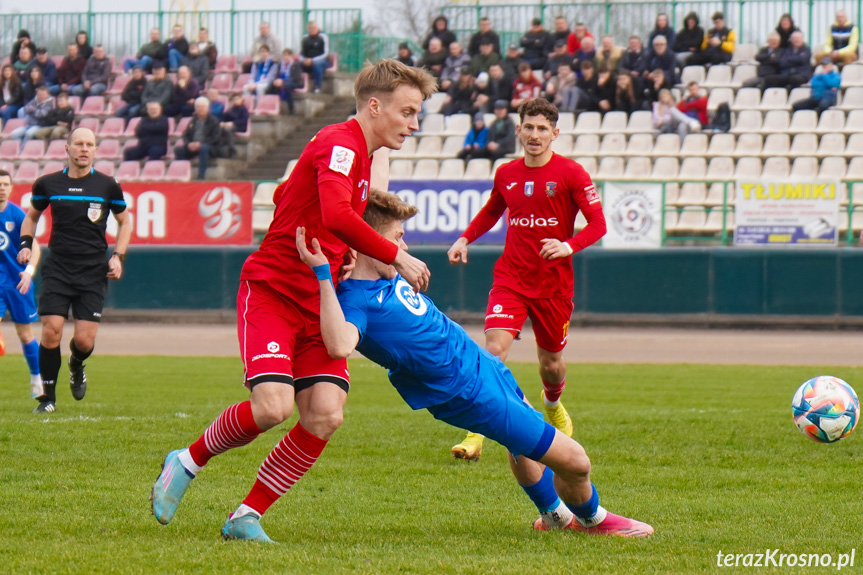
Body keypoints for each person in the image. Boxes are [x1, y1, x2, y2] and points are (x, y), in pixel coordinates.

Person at [150, 59, 435, 542]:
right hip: (274, 293)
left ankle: (247, 516)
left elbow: (298, 198)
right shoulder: (340, 143)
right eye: (407, 111)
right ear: (374, 105)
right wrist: (396, 256)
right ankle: (188, 459)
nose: (414, 123)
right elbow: (336, 212)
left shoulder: (360, 153)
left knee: (325, 413)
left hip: (319, 300)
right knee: (272, 407)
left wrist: (339, 252)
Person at [296, 191, 653, 537]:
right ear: (368, 243)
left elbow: (372, 185)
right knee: (575, 462)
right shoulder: (356, 298)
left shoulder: (382, 276)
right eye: (396, 239)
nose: (401, 249)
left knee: (523, 438)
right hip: (469, 394)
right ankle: (593, 520)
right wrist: (323, 275)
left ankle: (555, 517)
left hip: (481, 366)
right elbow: (340, 343)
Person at [447, 98, 606, 461]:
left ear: (555, 133)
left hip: (553, 285)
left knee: (551, 363)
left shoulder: (572, 174)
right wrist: (464, 238)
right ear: (518, 130)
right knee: (494, 352)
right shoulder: (506, 173)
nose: (534, 135)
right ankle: (477, 431)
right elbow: (492, 210)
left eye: (542, 129)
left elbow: (599, 224)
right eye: (529, 127)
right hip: (511, 278)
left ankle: (552, 406)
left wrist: (569, 246)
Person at [19, 127, 131, 413]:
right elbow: (32, 217)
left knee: (83, 340)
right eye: (79, 144)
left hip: (93, 269)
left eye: (90, 144)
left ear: (95, 150)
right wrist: (26, 243)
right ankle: (47, 399)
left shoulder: (108, 186)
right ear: (66, 148)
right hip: (58, 267)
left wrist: (117, 256)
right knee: (51, 331)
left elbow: (124, 223)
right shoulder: (47, 183)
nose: (84, 149)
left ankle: (76, 363)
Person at [0, 168, 42, 398]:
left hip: (18, 283)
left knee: (25, 334)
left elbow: (34, 247)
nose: (2, 188)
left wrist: (29, 272)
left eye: (5, 184)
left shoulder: (17, 215)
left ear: (11, 188)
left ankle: (37, 378)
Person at [174, 97, 222, 179]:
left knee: (204, 148)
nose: (200, 109)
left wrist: (201, 144)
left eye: (202, 107)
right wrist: (188, 143)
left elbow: (216, 137)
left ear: (208, 108)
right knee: (179, 150)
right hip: (193, 146)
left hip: (209, 146)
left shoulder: (214, 120)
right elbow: (186, 134)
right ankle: (180, 175)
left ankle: (201, 176)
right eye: (198, 107)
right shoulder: (193, 120)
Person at [301, 21, 330, 93]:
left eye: (314, 28)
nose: (312, 29)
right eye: (310, 28)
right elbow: (301, 53)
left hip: (322, 61)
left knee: (317, 64)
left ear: (317, 28)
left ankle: (317, 86)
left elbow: (326, 53)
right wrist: (304, 60)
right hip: (307, 61)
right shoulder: (304, 39)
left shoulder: (323, 37)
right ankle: (298, 85)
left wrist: (313, 60)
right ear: (308, 29)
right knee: (297, 64)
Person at [272, 48, 303, 115]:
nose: (285, 57)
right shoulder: (280, 65)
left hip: (295, 83)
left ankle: (292, 109)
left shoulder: (295, 65)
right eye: (284, 55)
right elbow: (276, 75)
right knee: (271, 86)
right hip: (283, 81)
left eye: (287, 55)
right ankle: (273, 107)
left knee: (287, 86)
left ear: (291, 56)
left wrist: (283, 81)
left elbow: (296, 78)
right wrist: (276, 80)